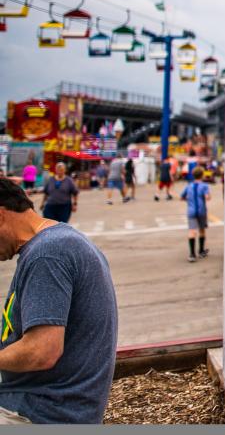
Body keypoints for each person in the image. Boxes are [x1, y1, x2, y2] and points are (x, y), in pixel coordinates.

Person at [0, 177, 118, 423]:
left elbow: (43, 351)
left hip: (39, 413)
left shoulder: (48, 254)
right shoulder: (60, 242)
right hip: (45, 404)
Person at [180, 173, 211, 263]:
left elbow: (182, 197)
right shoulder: (204, 186)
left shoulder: (189, 186)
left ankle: (192, 254)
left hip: (191, 211)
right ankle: (201, 251)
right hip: (201, 211)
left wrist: (189, 201)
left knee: (192, 231)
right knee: (202, 230)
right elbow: (207, 197)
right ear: (201, 176)